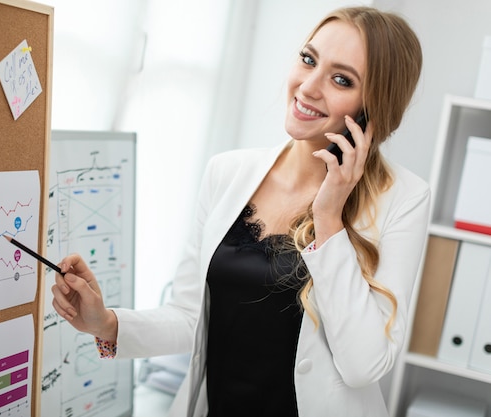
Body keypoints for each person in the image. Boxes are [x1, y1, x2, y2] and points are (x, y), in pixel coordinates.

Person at [51, 6, 430, 417]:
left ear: (374, 108)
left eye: (341, 79)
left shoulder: (403, 200)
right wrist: (106, 324)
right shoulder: (226, 172)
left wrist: (329, 217)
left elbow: (363, 366)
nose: (308, 86)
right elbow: (188, 315)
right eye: (308, 59)